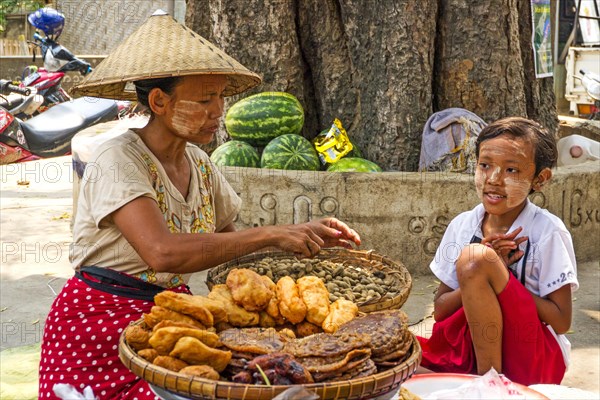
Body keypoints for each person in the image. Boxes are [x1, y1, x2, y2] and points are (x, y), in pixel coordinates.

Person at [38, 12, 360, 400]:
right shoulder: (118, 158)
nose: (219, 111)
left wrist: (298, 242)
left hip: (176, 316)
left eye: (222, 97)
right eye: (206, 99)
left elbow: (231, 245)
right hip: (99, 322)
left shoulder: (200, 164)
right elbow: (161, 252)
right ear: (159, 101)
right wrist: (272, 234)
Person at [417, 117, 578, 386]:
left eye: (511, 170)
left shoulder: (547, 231)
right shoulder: (462, 225)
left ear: (540, 178)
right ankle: (480, 380)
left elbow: (561, 321)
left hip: (532, 355)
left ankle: (488, 385)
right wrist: (479, 276)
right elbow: (441, 311)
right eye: (484, 165)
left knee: (475, 258)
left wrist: (501, 276)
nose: (493, 179)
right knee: (389, 366)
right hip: (470, 346)